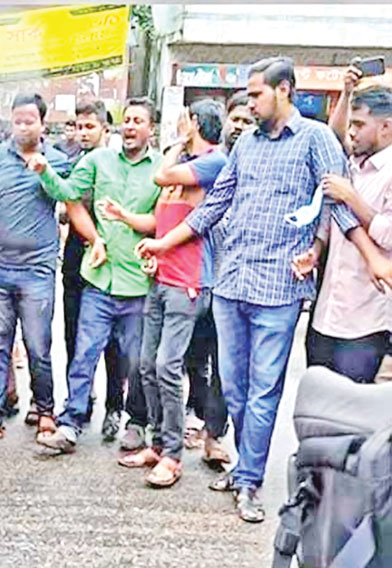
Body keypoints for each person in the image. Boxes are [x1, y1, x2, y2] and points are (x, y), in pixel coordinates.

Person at [135, 56, 372, 523]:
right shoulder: (245, 146)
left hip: (279, 289)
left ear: (284, 90)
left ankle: (249, 482)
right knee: (237, 390)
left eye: (258, 93)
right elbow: (214, 205)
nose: (250, 102)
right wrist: (163, 242)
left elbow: (336, 204)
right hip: (231, 282)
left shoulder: (316, 139)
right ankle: (245, 464)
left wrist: (370, 255)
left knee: (264, 390)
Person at [34, 97, 162, 455]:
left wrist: (130, 221)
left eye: (139, 120)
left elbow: (162, 220)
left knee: (136, 361)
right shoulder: (97, 161)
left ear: (151, 129)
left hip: (139, 284)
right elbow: (69, 193)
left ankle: (136, 422)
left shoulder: (162, 169)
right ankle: (71, 423)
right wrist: (45, 172)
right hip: (100, 280)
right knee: (84, 354)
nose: (132, 126)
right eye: (128, 120)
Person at [115, 100, 228, 488]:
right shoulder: (186, 167)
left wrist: (179, 140)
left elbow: (161, 176)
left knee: (167, 366)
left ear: (194, 123)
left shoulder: (214, 161)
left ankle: (173, 455)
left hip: (189, 281)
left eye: (184, 119)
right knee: (146, 364)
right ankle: (159, 444)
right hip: (161, 277)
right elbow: (162, 218)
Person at [0, 93, 70, 444]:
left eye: (29, 121)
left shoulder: (58, 160)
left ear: (42, 123)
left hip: (38, 269)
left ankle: (46, 412)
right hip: (0, 267)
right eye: (17, 121)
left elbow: (68, 200)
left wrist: (45, 171)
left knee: (38, 345)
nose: (23, 127)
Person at [182, 91, 254, 463]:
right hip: (199, 277)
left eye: (248, 120)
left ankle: (214, 435)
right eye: (235, 119)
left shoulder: (255, 168)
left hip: (236, 282)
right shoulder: (209, 163)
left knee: (225, 367)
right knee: (194, 359)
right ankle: (195, 418)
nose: (240, 126)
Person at [306, 77, 392, 383]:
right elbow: (333, 134)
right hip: (325, 315)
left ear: (385, 127)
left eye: (359, 124)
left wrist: (352, 198)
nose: (351, 132)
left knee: (351, 418)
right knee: (316, 410)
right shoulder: (349, 165)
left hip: (365, 322)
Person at [59, 100, 132, 443]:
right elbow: (65, 204)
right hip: (77, 257)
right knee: (75, 337)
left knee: (113, 345)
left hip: (114, 261)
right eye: (78, 126)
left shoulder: (119, 165)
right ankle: (78, 403)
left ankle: (115, 407)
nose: (83, 133)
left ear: (106, 128)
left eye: (90, 126)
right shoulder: (70, 162)